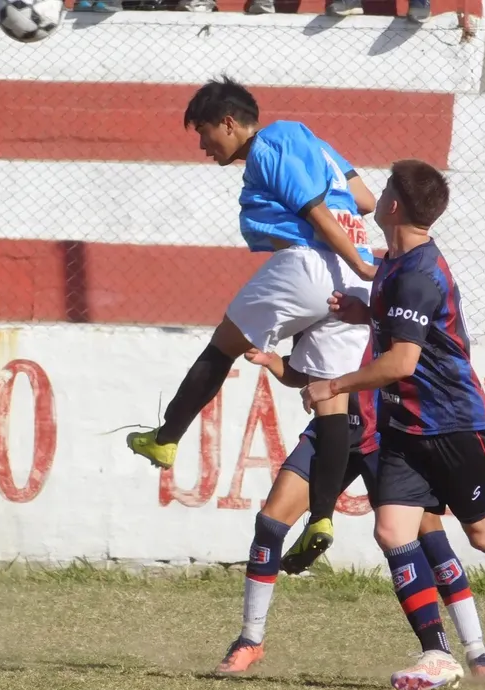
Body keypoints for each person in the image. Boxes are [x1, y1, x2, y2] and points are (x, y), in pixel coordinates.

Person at [302, 159, 485, 690]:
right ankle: (436, 653)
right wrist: (367, 315)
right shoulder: (394, 263)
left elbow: (402, 363)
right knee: (391, 531)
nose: (376, 196)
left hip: (454, 426)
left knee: (483, 533)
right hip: (406, 429)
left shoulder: (420, 275)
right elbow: (403, 336)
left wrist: (333, 386)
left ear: (396, 205)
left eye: (383, 190)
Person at [128, 76, 375, 570]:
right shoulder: (312, 141)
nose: (202, 146)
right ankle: (322, 518)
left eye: (203, 133)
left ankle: (167, 437)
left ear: (229, 122)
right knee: (330, 400)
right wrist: (363, 270)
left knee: (222, 347)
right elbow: (364, 201)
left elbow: (318, 213)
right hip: (351, 279)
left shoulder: (269, 145)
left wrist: (369, 266)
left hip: (313, 264)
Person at [216, 336, 485, 679]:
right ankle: (250, 639)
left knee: (430, 538)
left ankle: (477, 652)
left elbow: (401, 363)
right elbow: (303, 373)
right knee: (271, 523)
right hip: (331, 432)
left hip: (386, 438)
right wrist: (271, 360)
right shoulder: (320, 300)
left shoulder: (375, 305)